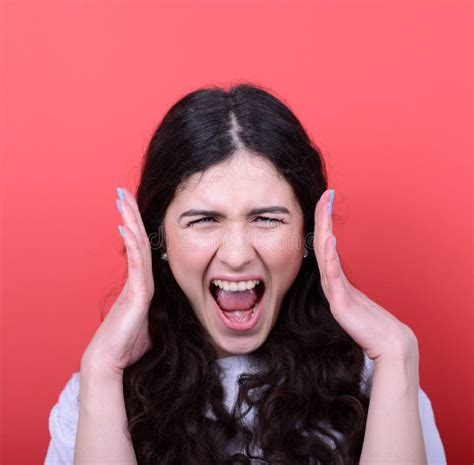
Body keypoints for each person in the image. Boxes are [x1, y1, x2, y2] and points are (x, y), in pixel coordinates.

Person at [45, 83, 447, 464]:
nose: (237, 256)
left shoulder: (385, 386)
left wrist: (397, 352)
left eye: (267, 219)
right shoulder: (96, 397)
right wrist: (101, 370)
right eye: (203, 220)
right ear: (159, 239)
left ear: (309, 234)